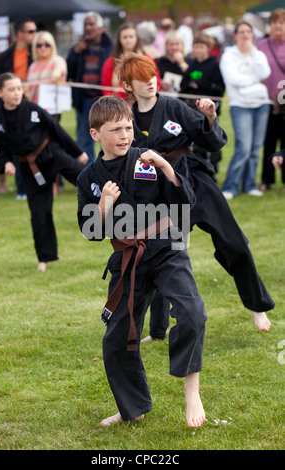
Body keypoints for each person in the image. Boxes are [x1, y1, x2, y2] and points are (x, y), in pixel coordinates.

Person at [116, 52, 274, 341]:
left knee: (233, 241)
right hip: (158, 191)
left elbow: (212, 141)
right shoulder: (126, 118)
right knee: (164, 253)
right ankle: (158, 330)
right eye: (141, 78)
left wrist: (210, 116)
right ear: (128, 85)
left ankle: (257, 305)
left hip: (193, 179)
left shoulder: (175, 107)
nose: (150, 81)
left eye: (152, 74)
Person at [77, 95, 207, 428]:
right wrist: (103, 204)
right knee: (117, 337)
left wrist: (167, 168)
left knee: (192, 313)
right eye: (115, 129)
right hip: (128, 258)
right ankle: (132, 407)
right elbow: (91, 232)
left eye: (128, 127)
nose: (124, 135)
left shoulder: (148, 159)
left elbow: (184, 203)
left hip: (166, 247)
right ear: (95, 135)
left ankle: (192, 390)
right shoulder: (89, 177)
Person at [0, 73, 88, 272]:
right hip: (30, 168)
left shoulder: (32, 109)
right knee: (39, 213)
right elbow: (0, 147)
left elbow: (56, 129)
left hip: (53, 155)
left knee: (86, 182)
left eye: (19, 88)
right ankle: (45, 258)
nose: (17, 93)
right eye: (11, 89)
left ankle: (116, 207)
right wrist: (7, 163)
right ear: (0, 93)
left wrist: (78, 153)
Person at [219, 21, 271, 199]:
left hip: (262, 103)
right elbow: (233, 80)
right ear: (235, 35)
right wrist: (254, 80)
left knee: (256, 149)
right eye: (241, 32)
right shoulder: (228, 55)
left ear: (252, 35)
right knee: (244, 148)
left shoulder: (258, 53)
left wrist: (254, 54)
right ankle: (230, 186)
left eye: (248, 32)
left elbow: (264, 73)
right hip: (241, 105)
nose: (245, 35)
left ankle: (250, 184)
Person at [0, 18, 37, 198]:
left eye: (35, 31)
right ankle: (20, 187)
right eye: (30, 31)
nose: (34, 35)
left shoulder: (35, 53)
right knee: (13, 146)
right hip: (10, 107)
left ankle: (39, 185)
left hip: (32, 104)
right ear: (19, 33)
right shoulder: (5, 56)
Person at [67, 12, 113, 163]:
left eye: (91, 24)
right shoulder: (79, 48)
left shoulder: (110, 46)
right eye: (85, 24)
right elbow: (69, 72)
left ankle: (107, 170)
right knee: (84, 139)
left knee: (108, 137)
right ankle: (88, 174)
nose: (88, 27)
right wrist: (76, 53)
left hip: (105, 99)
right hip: (85, 100)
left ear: (100, 27)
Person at [26, 31, 68, 195]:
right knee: (39, 146)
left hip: (52, 111)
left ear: (52, 46)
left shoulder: (56, 60)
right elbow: (30, 90)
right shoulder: (33, 66)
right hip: (35, 111)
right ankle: (44, 180)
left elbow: (61, 68)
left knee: (52, 146)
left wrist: (57, 73)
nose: (43, 48)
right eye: (39, 44)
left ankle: (56, 184)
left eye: (46, 44)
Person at [179, 32, 225, 174]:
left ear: (208, 47)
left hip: (207, 108)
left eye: (201, 47)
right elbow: (183, 85)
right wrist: (191, 85)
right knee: (194, 138)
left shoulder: (214, 65)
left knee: (209, 137)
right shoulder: (192, 64)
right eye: (196, 47)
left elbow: (220, 88)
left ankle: (212, 166)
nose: (198, 50)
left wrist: (200, 84)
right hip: (191, 108)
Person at [257, 8, 285, 192]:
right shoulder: (261, 45)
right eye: (274, 22)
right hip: (266, 101)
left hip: (284, 102)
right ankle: (266, 179)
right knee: (268, 141)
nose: (277, 25)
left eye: (281, 22)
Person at [100, 22, 161, 102]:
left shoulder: (146, 58)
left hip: (143, 103)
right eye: (124, 37)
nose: (128, 40)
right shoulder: (111, 61)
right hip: (119, 105)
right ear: (119, 39)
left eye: (131, 37)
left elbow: (156, 81)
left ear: (136, 38)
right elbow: (106, 86)